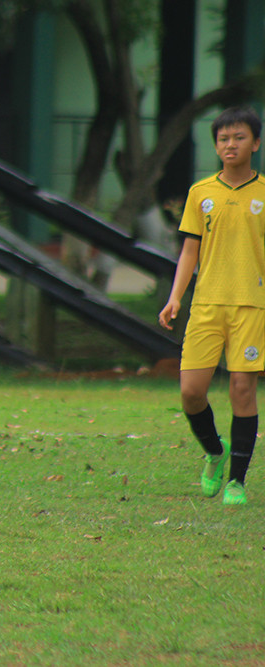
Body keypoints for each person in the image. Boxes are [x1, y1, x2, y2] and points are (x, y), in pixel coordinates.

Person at [158, 105, 265, 507]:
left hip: (252, 306)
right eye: (223, 139)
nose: (231, 144)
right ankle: (214, 452)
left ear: (255, 143)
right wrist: (175, 297)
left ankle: (237, 481)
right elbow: (190, 251)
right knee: (191, 392)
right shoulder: (200, 193)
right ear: (216, 146)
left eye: (239, 137)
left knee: (242, 388)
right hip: (206, 305)